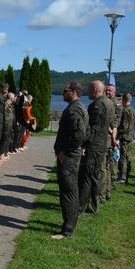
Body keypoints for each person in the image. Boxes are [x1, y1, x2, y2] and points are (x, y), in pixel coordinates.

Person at [52, 82, 88, 240]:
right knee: (69, 191)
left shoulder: (75, 109)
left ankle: (67, 230)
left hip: (68, 158)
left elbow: (79, 135)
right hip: (70, 156)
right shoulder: (78, 107)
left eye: (65, 90)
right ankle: (68, 226)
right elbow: (86, 133)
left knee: (69, 192)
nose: (63, 92)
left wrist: (65, 152)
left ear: (73, 92)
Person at [78, 80, 109, 214]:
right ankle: (94, 205)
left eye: (90, 89)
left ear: (96, 90)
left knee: (86, 177)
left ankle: (81, 207)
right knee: (95, 176)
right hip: (101, 145)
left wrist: (85, 144)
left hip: (94, 146)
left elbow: (93, 128)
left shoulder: (97, 105)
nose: (87, 92)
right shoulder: (108, 103)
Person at [116, 92, 134, 184]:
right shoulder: (132, 110)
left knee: (123, 157)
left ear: (124, 100)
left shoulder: (126, 110)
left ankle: (122, 176)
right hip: (130, 136)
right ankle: (127, 174)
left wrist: (118, 135)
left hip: (125, 137)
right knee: (128, 156)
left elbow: (124, 125)